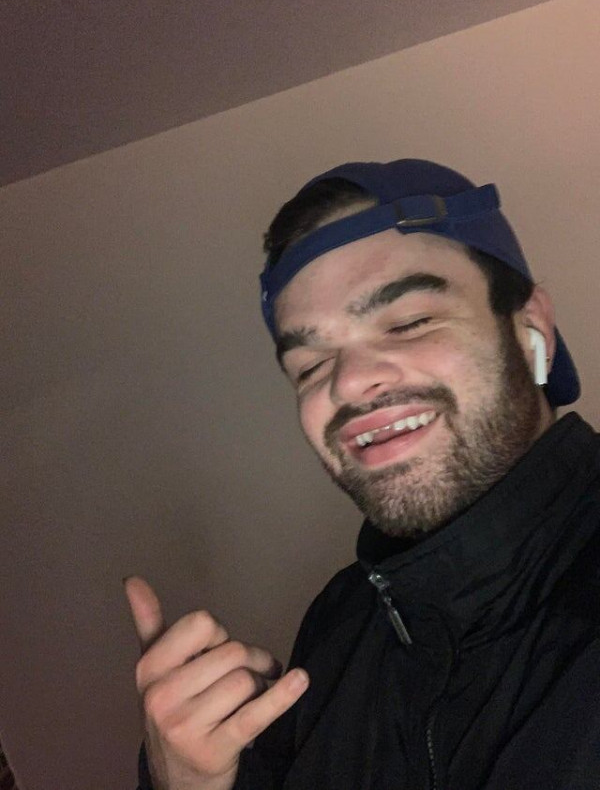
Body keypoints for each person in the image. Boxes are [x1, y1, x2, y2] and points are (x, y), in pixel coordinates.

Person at [126, 159, 600, 790]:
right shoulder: (341, 618)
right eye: (310, 365)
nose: (348, 383)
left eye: (408, 323)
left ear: (530, 327)